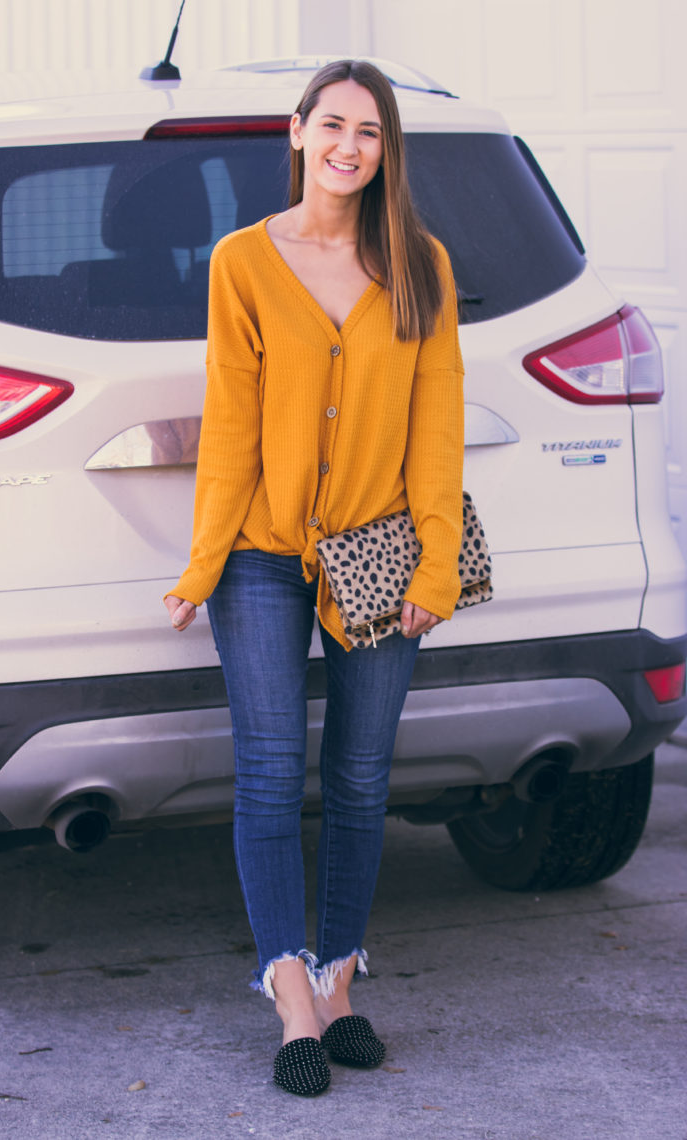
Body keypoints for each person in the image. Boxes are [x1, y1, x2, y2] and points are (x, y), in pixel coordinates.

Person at [164, 58, 464, 1097]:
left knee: (361, 777)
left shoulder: (417, 262)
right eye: (331, 124)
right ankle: (287, 985)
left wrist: (433, 560)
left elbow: (437, 430)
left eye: (370, 132)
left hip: (381, 555)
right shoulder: (243, 261)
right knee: (265, 768)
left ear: (388, 152)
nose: (348, 145)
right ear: (296, 134)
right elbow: (231, 424)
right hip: (259, 554)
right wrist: (205, 562)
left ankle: (339, 974)